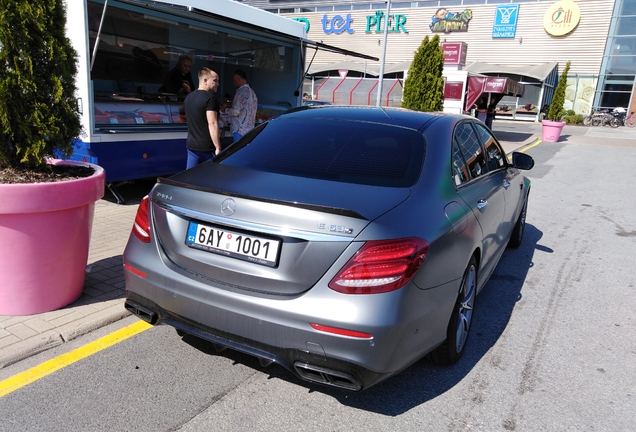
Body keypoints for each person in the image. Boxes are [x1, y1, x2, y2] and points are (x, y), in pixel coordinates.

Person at [183, 68, 222, 169]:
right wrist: (218, 147)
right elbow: (212, 123)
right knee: (212, 179)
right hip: (207, 148)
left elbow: (197, 119)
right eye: (215, 81)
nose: (218, 84)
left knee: (190, 178)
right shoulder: (210, 99)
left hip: (192, 145)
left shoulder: (189, 97)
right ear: (205, 80)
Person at [224, 69, 258, 142]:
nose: (233, 82)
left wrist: (225, 109)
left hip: (239, 130)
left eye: (234, 80)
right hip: (250, 129)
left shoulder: (240, 93)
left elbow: (235, 112)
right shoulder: (252, 93)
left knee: (238, 151)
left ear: (237, 79)